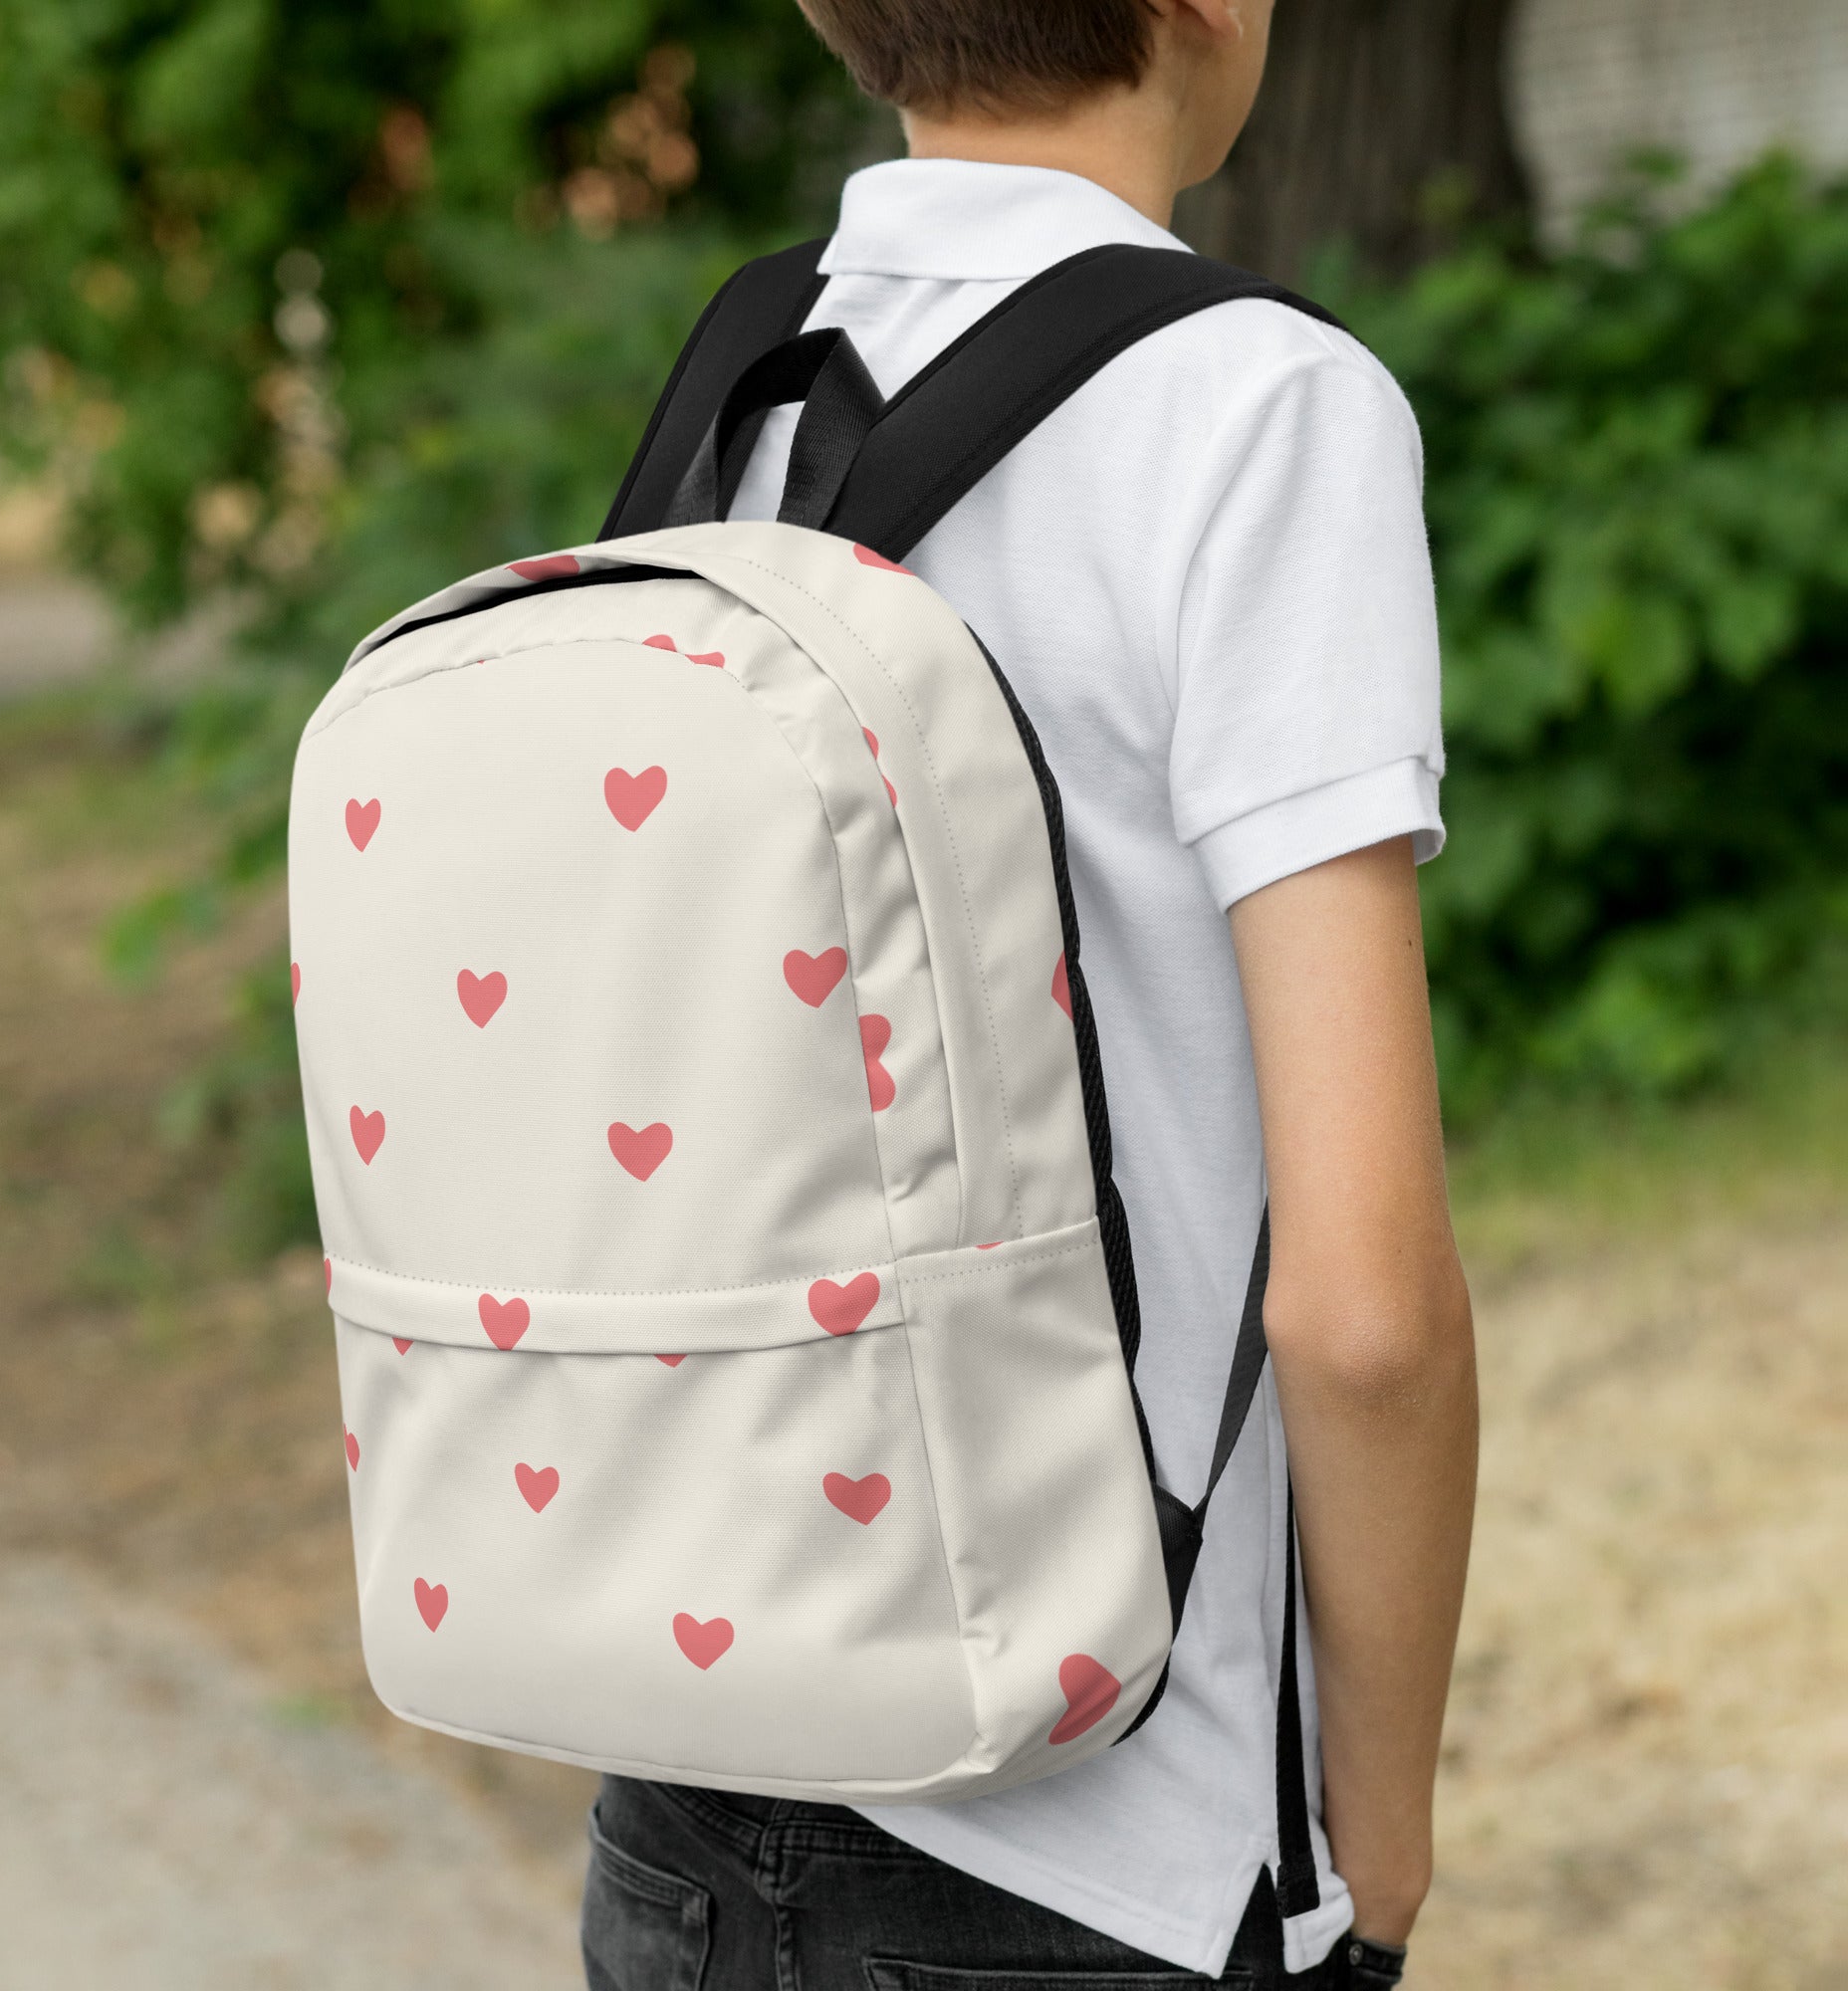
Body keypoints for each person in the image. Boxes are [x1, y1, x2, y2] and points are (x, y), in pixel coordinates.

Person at [580, 2, 1479, 1984]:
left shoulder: (746, 377)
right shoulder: (1260, 407)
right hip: (1098, 1841)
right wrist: (1380, 1840)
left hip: (684, 1774)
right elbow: (1363, 1311)